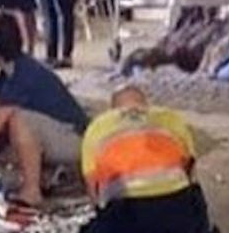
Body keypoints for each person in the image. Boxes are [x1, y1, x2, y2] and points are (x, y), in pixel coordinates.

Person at [79, 85, 212, 233]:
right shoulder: (171, 118)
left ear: (113, 109)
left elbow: (93, 189)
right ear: (145, 104)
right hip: (178, 211)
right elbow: (191, 174)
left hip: (126, 214)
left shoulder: (98, 126)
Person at [0, 83, 83, 207]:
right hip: (58, 154)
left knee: (20, 120)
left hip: (77, 137)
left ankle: (32, 191)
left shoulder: (11, 90)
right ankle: (47, 180)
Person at [0, 13, 89, 132]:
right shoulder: (17, 65)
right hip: (72, 127)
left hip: (71, 133)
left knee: (16, 126)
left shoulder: (20, 79)